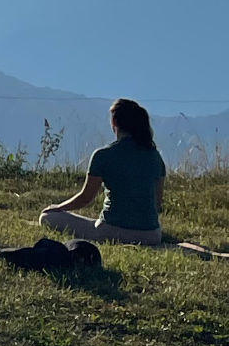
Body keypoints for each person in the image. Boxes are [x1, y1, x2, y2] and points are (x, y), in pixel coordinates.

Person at [39, 98, 166, 245]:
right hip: (152, 235)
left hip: (111, 231)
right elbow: (157, 202)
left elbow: (86, 198)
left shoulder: (103, 155)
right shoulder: (155, 156)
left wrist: (58, 208)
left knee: (47, 217)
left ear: (114, 123)